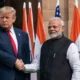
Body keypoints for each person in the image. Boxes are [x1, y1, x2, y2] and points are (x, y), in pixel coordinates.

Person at [0, 6, 30, 80]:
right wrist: (14, 61)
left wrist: (27, 76)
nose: (4, 20)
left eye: (7, 17)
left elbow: (27, 56)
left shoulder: (23, 34)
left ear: (14, 18)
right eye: (1, 17)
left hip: (20, 76)